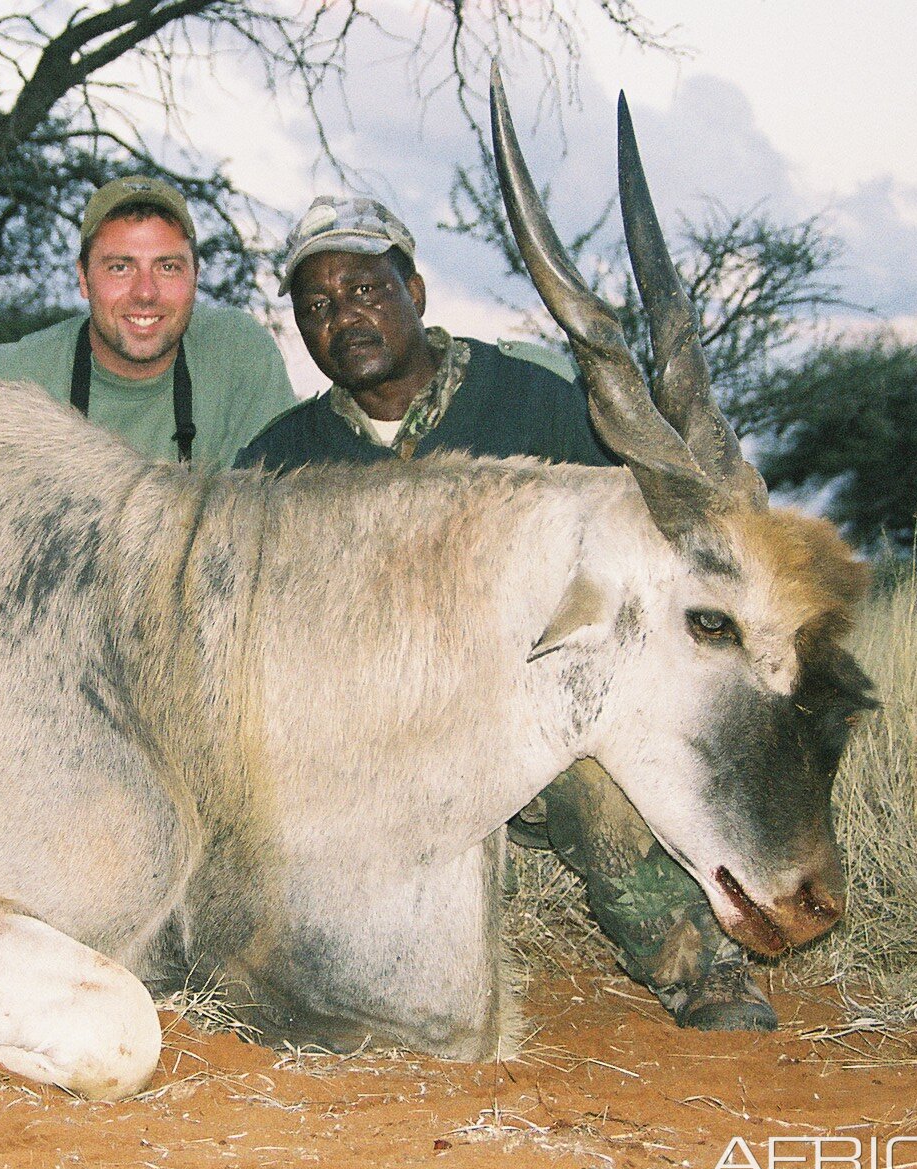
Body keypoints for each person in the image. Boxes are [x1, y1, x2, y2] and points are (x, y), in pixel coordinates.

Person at [238, 196, 778, 1031]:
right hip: (359, 747)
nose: (344, 316)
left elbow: (655, 546)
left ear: (415, 291)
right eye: (316, 306)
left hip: (518, 722)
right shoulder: (279, 460)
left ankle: (700, 970)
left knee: (595, 770)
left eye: (366, 289)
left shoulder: (539, 407)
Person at [0, 175, 296, 467]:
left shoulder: (241, 355)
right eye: (120, 267)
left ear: (195, 277)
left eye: (168, 267)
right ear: (83, 278)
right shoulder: (5, 381)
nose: (146, 293)